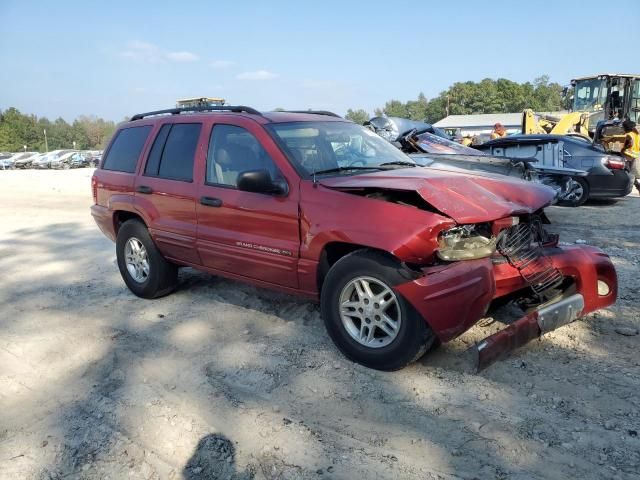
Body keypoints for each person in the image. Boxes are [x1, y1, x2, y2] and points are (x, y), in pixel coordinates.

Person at [621, 119, 640, 193]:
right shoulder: (637, 134)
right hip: (634, 155)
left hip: (627, 155)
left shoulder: (628, 134)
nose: (623, 128)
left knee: (627, 171)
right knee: (629, 171)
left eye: (623, 127)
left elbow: (630, 143)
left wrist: (623, 149)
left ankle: (637, 185)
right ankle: (636, 185)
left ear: (627, 127)